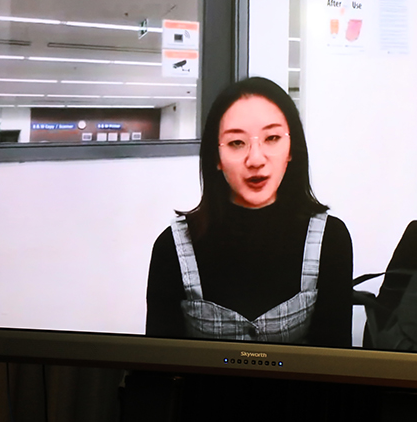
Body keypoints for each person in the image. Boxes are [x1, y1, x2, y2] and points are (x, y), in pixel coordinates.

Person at [146, 77, 353, 347]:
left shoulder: (330, 239)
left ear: (291, 150)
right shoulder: (172, 247)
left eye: (272, 138)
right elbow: (159, 364)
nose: (255, 159)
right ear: (216, 158)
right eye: (236, 143)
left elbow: (335, 362)